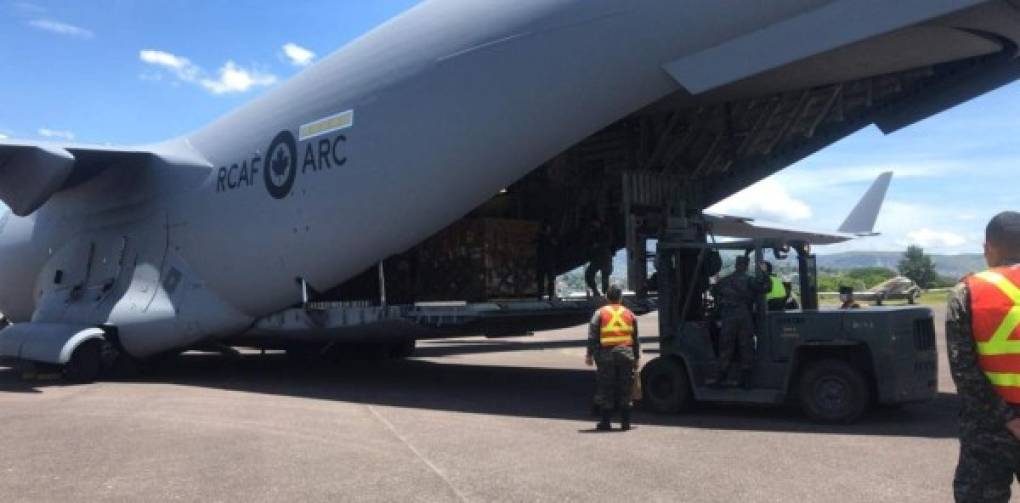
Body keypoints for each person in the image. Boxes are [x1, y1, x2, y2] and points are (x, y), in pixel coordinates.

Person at [948, 211, 1020, 502]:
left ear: (989, 247)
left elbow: (964, 372)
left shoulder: (966, 292)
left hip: (988, 429)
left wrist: (1009, 418)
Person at [708, 256, 770, 388]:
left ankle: (722, 375)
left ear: (736, 265)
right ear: (746, 266)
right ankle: (746, 379)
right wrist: (765, 272)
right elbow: (766, 288)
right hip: (743, 315)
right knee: (746, 345)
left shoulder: (725, 280)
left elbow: (714, 292)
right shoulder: (749, 280)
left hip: (728, 315)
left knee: (726, 345)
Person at [585, 285, 640, 431]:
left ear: (606, 298)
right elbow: (635, 337)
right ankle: (625, 423)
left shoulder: (600, 313)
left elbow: (592, 336)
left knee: (606, 387)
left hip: (606, 355)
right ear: (621, 298)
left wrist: (589, 354)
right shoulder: (629, 313)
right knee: (625, 388)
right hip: (626, 354)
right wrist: (636, 358)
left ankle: (605, 423)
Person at [584, 218, 613, 297]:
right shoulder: (592, 232)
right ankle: (596, 291)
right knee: (589, 275)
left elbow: (609, 242)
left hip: (604, 257)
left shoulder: (605, 231)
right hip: (596, 258)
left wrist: (599, 245)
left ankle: (606, 294)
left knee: (605, 277)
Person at [535, 222, 558, 300]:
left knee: (543, 280)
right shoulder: (547, 238)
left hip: (543, 261)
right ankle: (548, 295)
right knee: (548, 279)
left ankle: (541, 295)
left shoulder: (540, 238)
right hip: (547, 261)